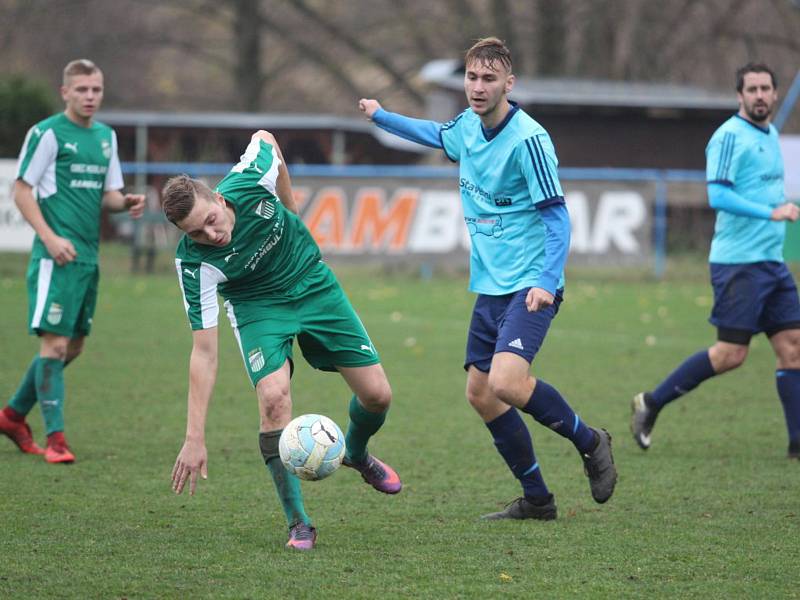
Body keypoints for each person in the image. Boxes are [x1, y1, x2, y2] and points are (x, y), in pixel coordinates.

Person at [358, 37, 617, 520]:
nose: (477, 87)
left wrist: (546, 278)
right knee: (480, 394)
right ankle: (538, 500)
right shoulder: (467, 128)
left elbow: (559, 219)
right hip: (491, 287)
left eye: (489, 79)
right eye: (472, 78)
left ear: (508, 84)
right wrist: (381, 116)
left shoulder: (529, 140)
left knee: (505, 382)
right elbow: (436, 134)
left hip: (530, 284)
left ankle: (590, 440)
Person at [163, 130, 401, 551]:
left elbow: (265, 139)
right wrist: (194, 437)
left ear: (219, 199)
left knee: (378, 396)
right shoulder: (193, 262)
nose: (211, 235)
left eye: (212, 221)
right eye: (196, 232)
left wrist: (291, 210)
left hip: (312, 284)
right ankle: (299, 523)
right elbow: (204, 354)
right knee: (274, 398)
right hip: (258, 308)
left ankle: (357, 454)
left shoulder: (250, 180)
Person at [631, 63, 800, 459]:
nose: (759, 95)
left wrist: (779, 209)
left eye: (765, 88)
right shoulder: (728, 137)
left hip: (771, 262)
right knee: (730, 355)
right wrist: (771, 212)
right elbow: (718, 196)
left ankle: (797, 444)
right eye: (752, 89)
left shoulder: (771, 133)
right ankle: (651, 403)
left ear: (775, 95)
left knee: (793, 347)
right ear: (739, 96)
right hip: (738, 264)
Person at [0, 59, 145, 464]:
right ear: (65, 92)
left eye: (96, 90)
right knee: (55, 343)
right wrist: (50, 238)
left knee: (74, 346)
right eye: (81, 90)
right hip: (54, 256)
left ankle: (12, 416)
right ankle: (57, 441)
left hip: (88, 259)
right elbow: (22, 191)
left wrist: (127, 202)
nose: (90, 97)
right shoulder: (46, 133)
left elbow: (109, 195)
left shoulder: (105, 137)